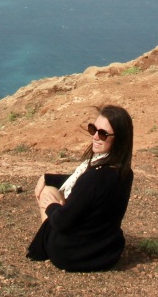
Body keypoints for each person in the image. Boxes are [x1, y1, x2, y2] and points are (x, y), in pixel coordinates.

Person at [26, 104, 134, 272]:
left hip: (73, 256)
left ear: (119, 138)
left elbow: (62, 222)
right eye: (93, 129)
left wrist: (51, 206)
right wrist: (49, 177)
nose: (96, 137)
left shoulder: (93, 178)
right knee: (55, 188)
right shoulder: (124, 172)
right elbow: (84, 185)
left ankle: (49, 241)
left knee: (49, 192)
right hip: (108, 254)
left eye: (103, 134)